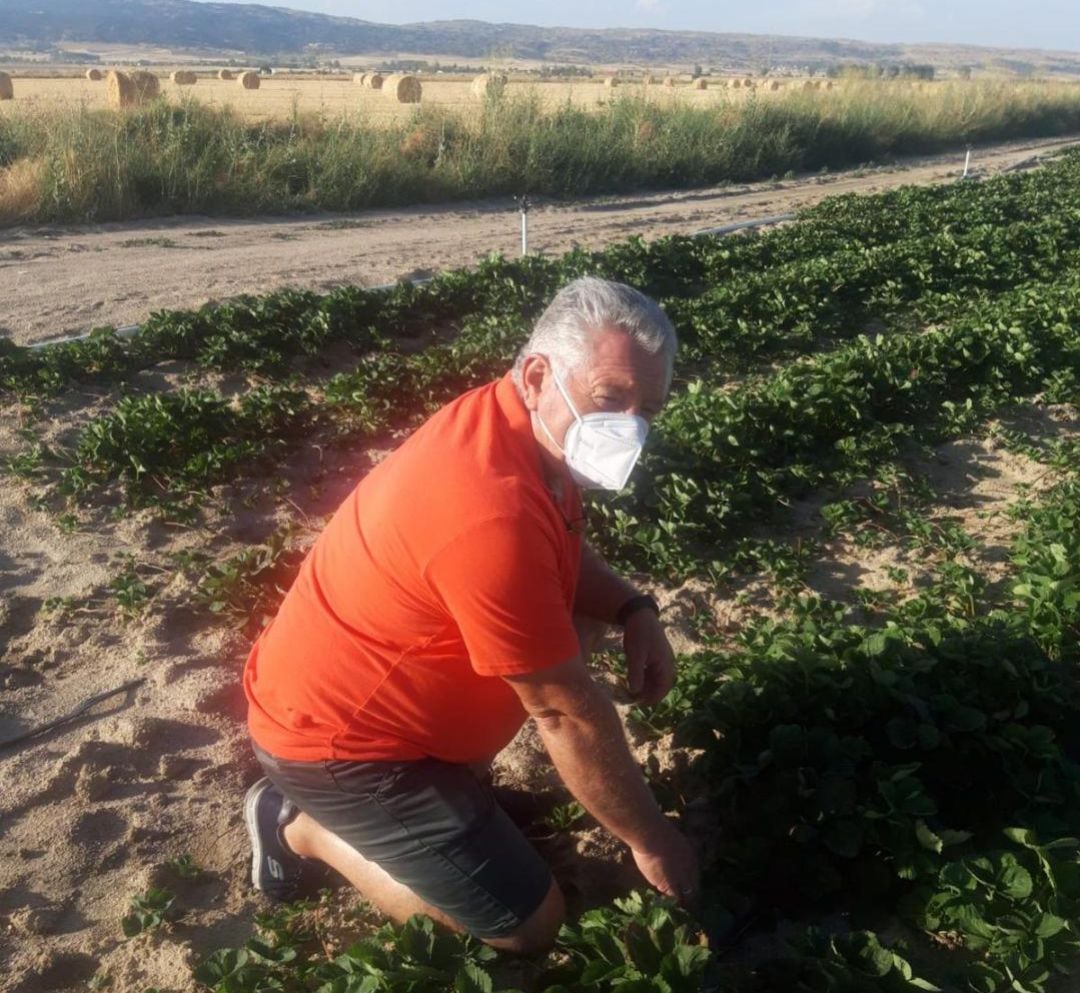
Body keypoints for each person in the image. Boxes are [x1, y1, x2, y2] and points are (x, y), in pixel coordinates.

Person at [241, 276, 699, 955]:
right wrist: (652, 838)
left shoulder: (523, 429)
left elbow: (562, 557)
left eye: (647, 408)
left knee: (566, 632)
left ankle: (454, 786)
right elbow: (565, 711)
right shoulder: (489, 506)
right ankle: (292, 823)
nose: (628, 425)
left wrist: (635, 608)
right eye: (612, 397)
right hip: (339, 746)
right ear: (539, 373)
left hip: (398, 723)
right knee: (524, 926)